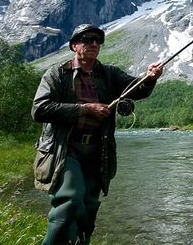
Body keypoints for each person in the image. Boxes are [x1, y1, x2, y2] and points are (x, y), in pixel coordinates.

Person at [31, 23, 163, 245]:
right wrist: (84, 109)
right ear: (74, 46)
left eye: (97, 40)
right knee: (70, 201)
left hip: (97, 151)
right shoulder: (57, 74)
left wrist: (150, 78)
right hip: (65, 149)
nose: (93, 43)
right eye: (87, 39)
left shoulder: (109, 74)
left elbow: (136, 88)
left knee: (89, 206)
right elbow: (39, 109)